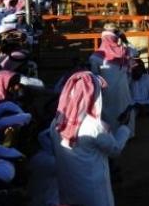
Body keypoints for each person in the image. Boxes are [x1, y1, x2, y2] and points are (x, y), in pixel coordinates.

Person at [50, 71, 131, 206]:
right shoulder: (93, 126)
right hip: (94, 194)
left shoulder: (56, 123)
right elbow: (115, 149)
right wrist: (124, 128)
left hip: (68, 192)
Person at [97, 28, 133, 133]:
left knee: (109, 111)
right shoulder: (126, 51)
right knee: (124, 107)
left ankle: (110, 133)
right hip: (123, 88)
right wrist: (124, 40)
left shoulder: (95, 57)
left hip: (106, 89)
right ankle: (127, 132)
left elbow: (95, 75)